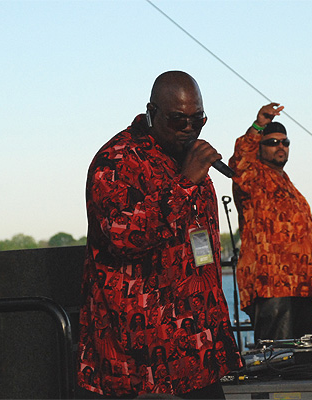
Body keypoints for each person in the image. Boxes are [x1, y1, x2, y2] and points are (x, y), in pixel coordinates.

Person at [77, 71, 242, 399]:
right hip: (144, 360)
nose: (189, 129)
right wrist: (185, 183)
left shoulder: (185, 160)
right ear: (152, 113)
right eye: (178, 119)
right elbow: (123, 235)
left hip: (196, 348)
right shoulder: (117, 160)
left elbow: (200, 245)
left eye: (198, 120)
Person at [228, 103, 312, 341]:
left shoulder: (288, 184)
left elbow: (293, 230)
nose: (280, 146)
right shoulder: (251, 177)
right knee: (279, 362)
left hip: (303, 287)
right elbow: (239, 161)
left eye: (285, 142)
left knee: (304, 363)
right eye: (272, 142)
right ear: (259, 147)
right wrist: (259, 125)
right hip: (272, 287)